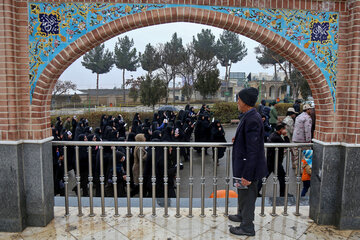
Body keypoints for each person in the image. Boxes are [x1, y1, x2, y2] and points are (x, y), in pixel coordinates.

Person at [229, 87, 267, 237]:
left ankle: (247, 227)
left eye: (239, 99)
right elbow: (247, 140)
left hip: (249, 168)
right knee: (243, 193)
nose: (237, 101)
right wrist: (237, 139)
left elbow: (253, 150)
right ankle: (241, 215)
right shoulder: (248, 115)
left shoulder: (252, 119)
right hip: (244, 166)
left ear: (245, 101)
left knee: (249, 196)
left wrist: (247, 175)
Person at [257, 123, 290, 197]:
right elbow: (287, 145)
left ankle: (256, 191)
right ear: (281, 129)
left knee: (265, 176)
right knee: (281, 177)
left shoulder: (273, 135)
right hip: (274, 161)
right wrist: (285, 136)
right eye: (284, 129)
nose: (285, 130)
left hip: (271, 160)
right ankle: (283, 194)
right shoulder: (276, 137)